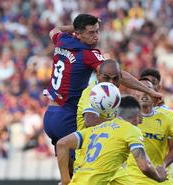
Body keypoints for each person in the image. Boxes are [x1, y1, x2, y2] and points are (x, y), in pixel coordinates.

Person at [43, 13, 161, 162]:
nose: (96, 36)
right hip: (66, 116)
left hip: (50, 115)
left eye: (97, 31)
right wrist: (150, 91)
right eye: (91, 32)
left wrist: (78, 26)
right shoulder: (88, 54)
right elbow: (118, 74)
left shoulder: (63, 40)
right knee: (84, 168)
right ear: (78, 34)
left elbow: (54, 30)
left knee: (69, 174)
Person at [53, 96, 167, 185]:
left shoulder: (97, 129)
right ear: (137, 116)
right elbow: (144, 166)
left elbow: (62, 144)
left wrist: (65, 181)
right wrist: (159, 175)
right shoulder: (131, 130)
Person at [54, 59, 143, 185]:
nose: (110, 83)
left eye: (115, 79)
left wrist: (149, 92)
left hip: (113, 164)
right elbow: (90, 121)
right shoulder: (92, 94)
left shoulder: (114, 98)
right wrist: (120, 128)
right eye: (106, 78)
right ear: (97, 76)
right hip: (91, 167)